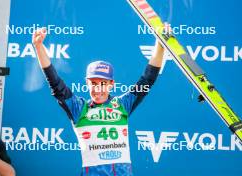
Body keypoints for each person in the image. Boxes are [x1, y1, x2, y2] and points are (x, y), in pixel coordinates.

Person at [33, 28, 164, 176]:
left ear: (112, 84)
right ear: (87, 84)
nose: (98, 88)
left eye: (103, 83)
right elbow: (54, 82)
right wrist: (38, 47)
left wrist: (160, 44)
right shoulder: (78, 108)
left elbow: (148, 79)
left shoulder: (123, 105)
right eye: (93, 83)